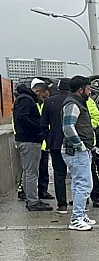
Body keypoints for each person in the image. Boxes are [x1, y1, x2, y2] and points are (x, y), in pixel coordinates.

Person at [61, 75, 98, 231]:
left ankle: (80, 214)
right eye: (88, 89)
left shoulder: (77, 103)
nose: (90, 93)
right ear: (81, 89)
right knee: (84, 184)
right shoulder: (73, 104)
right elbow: (68, 127)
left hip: (78, 150)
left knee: (78, 184)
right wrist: (81, 146)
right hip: (76, 151)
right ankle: (76, 218)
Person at [13, 78, 52, 211]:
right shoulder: (26, 100)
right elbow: (22, 118)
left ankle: (31, 198)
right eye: (43, 95)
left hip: (27, 139)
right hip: (29, 140)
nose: (44, 98)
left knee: (28, 171)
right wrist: (38, 129)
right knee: (31, 173)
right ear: (38, 91)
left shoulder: (24, 99)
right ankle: (33, 201)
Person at [41, 78, 71, 213]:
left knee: (59, 173)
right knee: (78, 174)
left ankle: (62, 204)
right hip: (73, 142)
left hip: (55, 143)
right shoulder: (75, 101)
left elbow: (43, 124)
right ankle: (80, 201)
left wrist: (48, 138)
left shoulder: (49, 101)